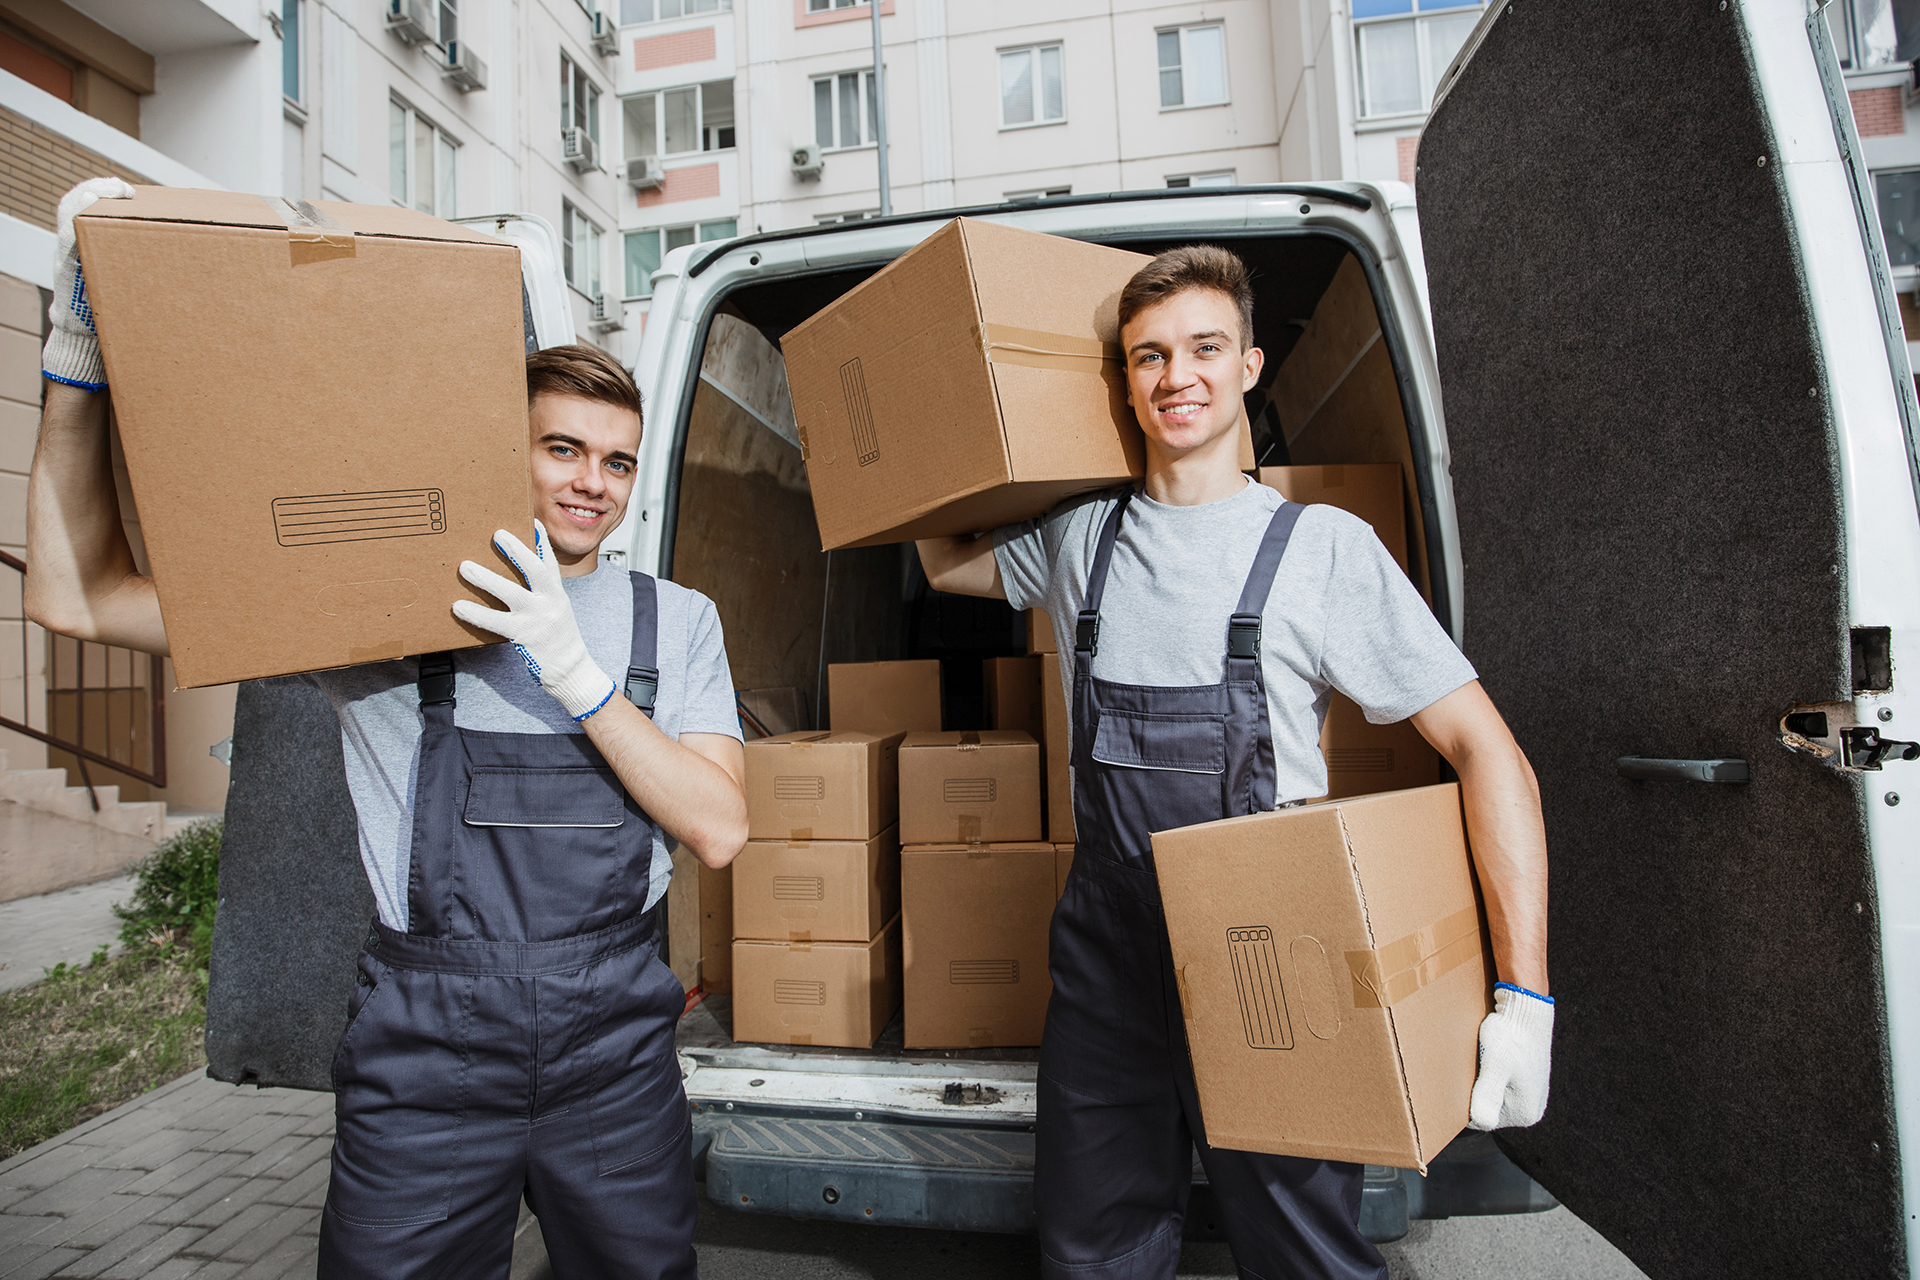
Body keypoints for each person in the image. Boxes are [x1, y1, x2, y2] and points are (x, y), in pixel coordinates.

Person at [24, 179, 747, 1280]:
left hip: (615, 1052)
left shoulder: (674, 620)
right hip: (428, 1057)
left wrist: (580, 673)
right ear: (495, 449)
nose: (590, 484)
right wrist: (79, 355)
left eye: (614, 460)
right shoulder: (382, 609)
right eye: (560, 449)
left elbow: (720, 826)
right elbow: (79, 597)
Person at [916, 244, 1553, 1280]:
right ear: (1124, 381)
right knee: (1091, 1248)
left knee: (1305, 1254)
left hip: (1275, 952)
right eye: (1149, 356)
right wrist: (937, 421)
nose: (1178, 377)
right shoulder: (1083, 535)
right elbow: (944, 557)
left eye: (1205, 348)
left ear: (1250, 366)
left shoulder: (1323, 549)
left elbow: (1490, 748)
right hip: (1108, 951)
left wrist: (1526, 998)